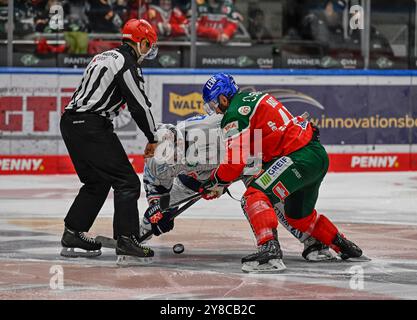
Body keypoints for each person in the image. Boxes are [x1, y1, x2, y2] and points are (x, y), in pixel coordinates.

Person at [199, 73, 364, 273]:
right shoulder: (255, 98)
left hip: (298, 158)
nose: (214, 110)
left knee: (253, 196)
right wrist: (224, 181)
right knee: (298, 217)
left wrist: (215, 181)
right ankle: (342, 245)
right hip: (316, 155)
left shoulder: (234, 114)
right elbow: (259, 148)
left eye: (213, 104)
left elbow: (235, 163)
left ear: (223, 99)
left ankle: (269, 252)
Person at [140, 114, 336, 262]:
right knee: (155, 214)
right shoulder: (157, 161)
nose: (173, 159)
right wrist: (157, 207)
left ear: (180, 140)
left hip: (243, 162)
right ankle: (136, 238)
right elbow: (155, 186)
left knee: (264, 196)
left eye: (176, 151)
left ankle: (313, 242)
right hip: (197, 176)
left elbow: (254, 122)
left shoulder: (213, 127)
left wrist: (296, 128)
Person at [60, 19, 159, 266]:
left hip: (70, 123)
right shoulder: (127, 63)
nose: (147, 52)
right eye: (148, 46)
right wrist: (153, 137)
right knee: (127, 182)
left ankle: (73, 233)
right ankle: (126, 239)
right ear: (141, 42)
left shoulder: (102, 57)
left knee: (97, 181)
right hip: (92, 125)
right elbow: (139, 105)